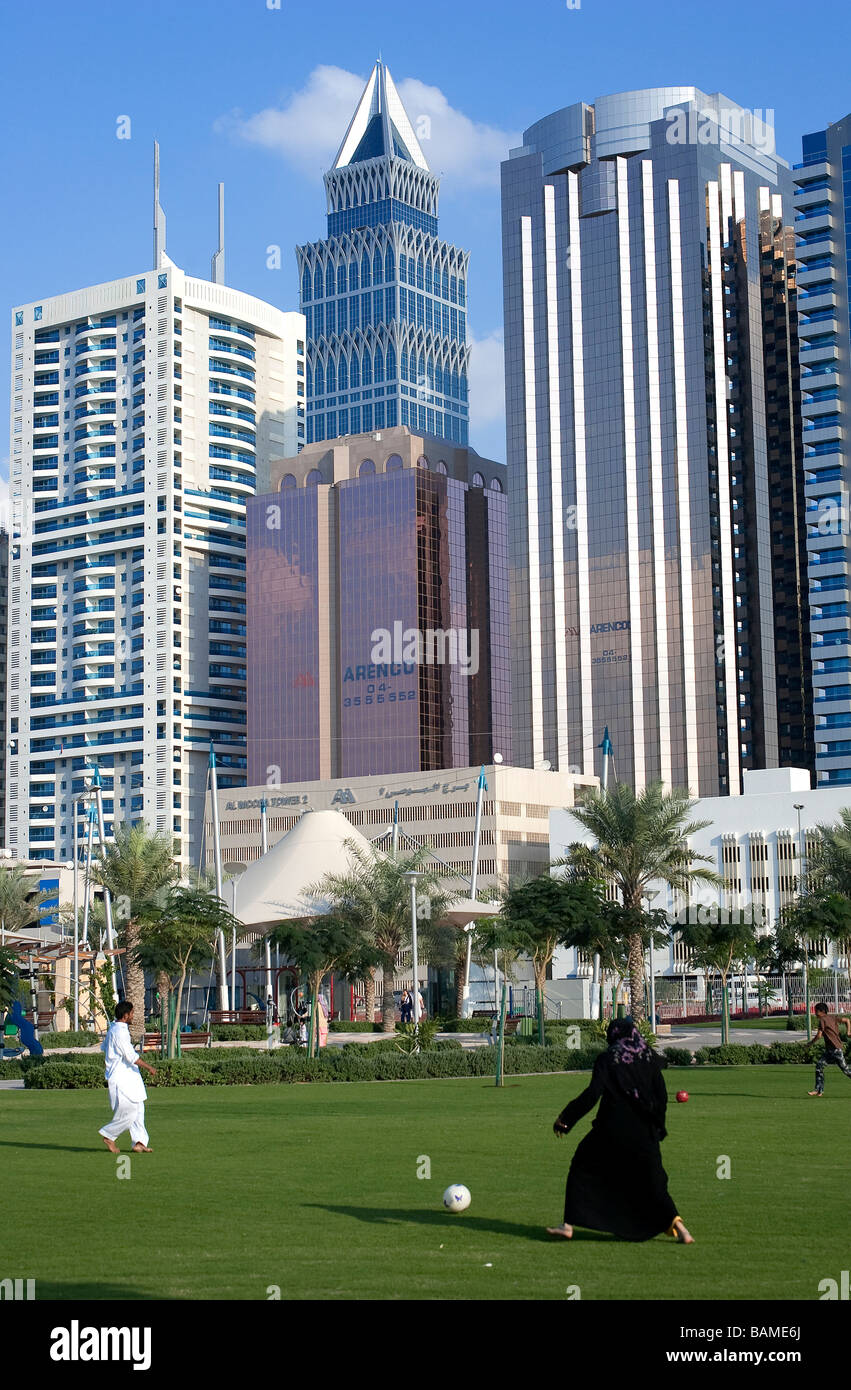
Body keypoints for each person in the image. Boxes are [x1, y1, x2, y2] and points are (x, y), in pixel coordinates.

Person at [547, 1017, 693, 1244]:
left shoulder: (608, 1058)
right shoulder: (649, 1058)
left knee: (582, 1167)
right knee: (653, 1181)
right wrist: (658, 1127)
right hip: (644, 1130)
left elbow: (592, 1095)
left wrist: (565, 1120)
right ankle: (682, 1230)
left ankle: (567, 1226)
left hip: (610, 1130)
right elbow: (661, 1097)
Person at [98, 1002, 157, 1154]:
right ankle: (109, 1134)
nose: (133, 1016)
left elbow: (104, 1047)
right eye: (131, 1013)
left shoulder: (115, 1028)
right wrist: (149, 1067)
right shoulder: (119, 1032)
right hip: (120, 1078)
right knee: (129, 1111)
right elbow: (131, 1056)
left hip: (129, 1076)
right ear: (125, 1016)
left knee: (138, 1109)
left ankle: (139, 1142)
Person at [808, 1002, 851, 1096]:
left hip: (835, 1050)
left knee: (847, 1071)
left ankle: (818, 1089)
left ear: (821, 1011)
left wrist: (810, 1043)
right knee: (819, 1066)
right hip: (831, 1050)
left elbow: (819, 1035)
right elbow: (847, 1020)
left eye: (816, 1011)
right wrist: (848, 1032)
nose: (815, 1013)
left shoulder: (822, 1020)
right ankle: (819, 1090)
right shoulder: (832, 1017)